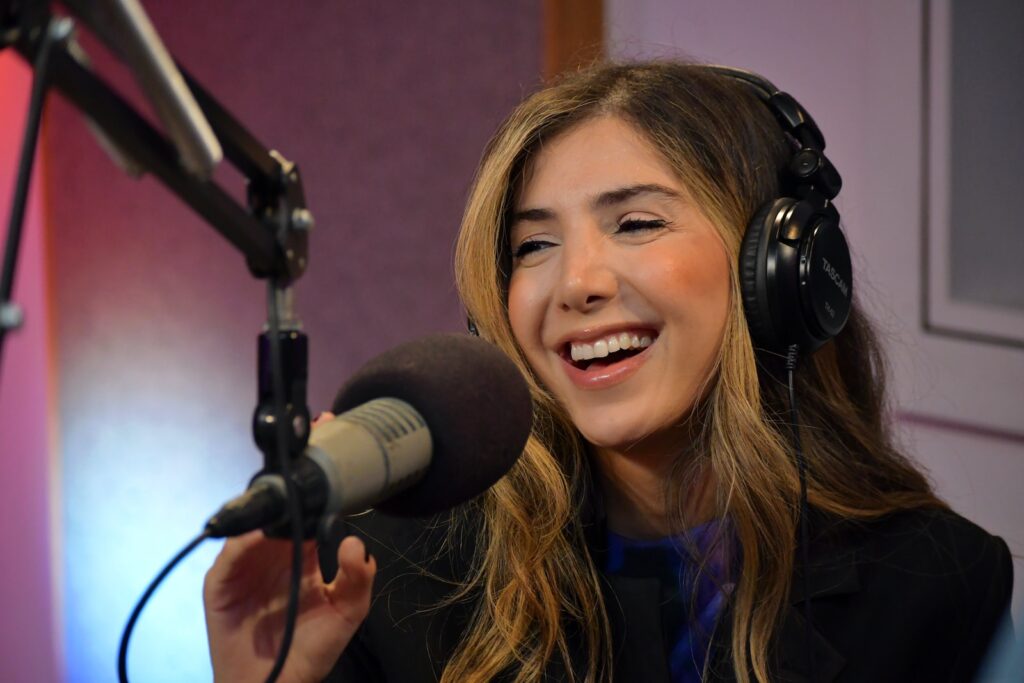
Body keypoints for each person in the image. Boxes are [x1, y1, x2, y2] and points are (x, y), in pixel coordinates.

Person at [203, 61, 1013, 683]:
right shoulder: (381, 576)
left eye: (636, 222)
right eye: (534, 245)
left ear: (776, 272)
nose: (578, 282)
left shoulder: (937, 582)